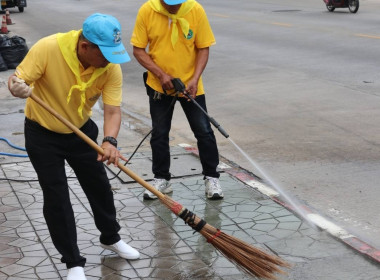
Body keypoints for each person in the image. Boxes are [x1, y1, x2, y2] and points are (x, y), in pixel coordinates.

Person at [8, 13, 140, 280]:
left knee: (100, 187)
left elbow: (113, 111)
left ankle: (110, 237)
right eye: (104, 54)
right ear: (84, 47)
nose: (110, 60)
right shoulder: (48, 48)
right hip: (43, 134)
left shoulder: (110, 67)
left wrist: (109, 142)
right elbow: (17, 80)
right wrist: (17, 87)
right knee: (57, 197)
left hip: (81, 131)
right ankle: (73, 262)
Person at [130, 0, 224, 200]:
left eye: (177, 3)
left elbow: (203, 48)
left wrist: (195, 78)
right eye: (169, 3)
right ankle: (161, 179)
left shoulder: (195, 10)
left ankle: (211, 177)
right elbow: (138, 49)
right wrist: (161, 74)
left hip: (191, 85)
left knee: (204, 132)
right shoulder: (147, 10)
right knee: (159, 133)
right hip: (160, 85)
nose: (174, 7)